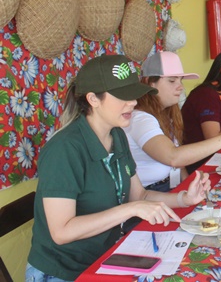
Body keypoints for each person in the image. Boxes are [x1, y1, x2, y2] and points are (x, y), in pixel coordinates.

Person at [26, 54, 211, 282]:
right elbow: (62, 232)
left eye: (133, 95)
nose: (132, 102)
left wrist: (184, 199)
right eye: (122, 96)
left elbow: (140, 195)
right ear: (93, 99)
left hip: (106, 257)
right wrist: (129, 210)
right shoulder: (64, 149)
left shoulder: (116, 135)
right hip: (65, 272)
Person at [125, 51, 221, 192]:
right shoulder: (140, 119)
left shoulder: (165, 115)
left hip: (169, 186)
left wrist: (189, 185)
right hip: (151, 193)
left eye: (181, 81)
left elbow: (178, 167)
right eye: (172, 81)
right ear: (150, 83)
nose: (180, 87)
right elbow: (173, 157)